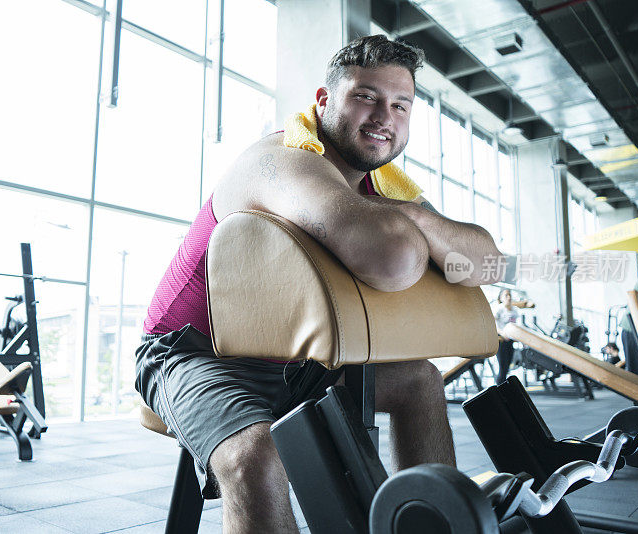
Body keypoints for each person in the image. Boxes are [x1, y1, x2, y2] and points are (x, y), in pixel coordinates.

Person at [135, 35, 504, 533]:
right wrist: (412, 230)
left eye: (401, 105)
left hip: (293, 363)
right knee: (254, 458)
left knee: (419, 380)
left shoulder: (386, 187)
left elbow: (485, 264)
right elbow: (393, 258)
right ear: (324, 101)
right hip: (193, 353)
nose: (384, 117)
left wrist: (413, 214)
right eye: (366, 97)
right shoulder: (282, 160)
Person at [494, 289, 534, 384]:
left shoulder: (514, 310)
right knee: (503, 367)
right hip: (501, 340)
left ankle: (503, 388)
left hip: (510, 340)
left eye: (510, 295)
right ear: (501, 298)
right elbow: (492, 324)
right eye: (506, 295)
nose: (509, 297)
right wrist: (502, 333)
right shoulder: (499, 309)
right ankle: (499, 389)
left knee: (507, 366)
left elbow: (517, 325)